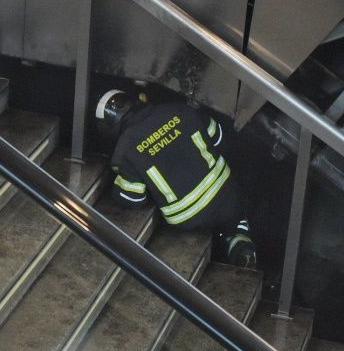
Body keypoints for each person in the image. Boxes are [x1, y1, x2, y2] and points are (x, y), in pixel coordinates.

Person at [95, 88, 258, 268]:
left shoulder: (124, 150)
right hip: (225, 193)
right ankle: (240, 242)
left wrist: (117, 185)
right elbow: (219, 138)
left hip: (188, 218)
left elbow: (132, 198)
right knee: (235, 217)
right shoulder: (179, 110)